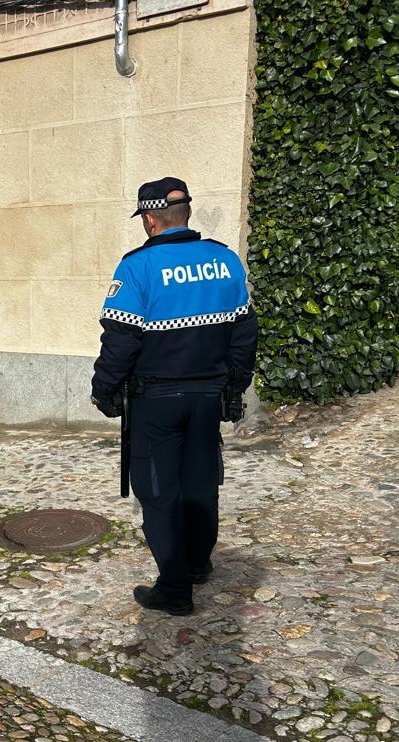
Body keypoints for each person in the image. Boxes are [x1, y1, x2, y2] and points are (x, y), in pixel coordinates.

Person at [91, 177, 258, 616]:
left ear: (149, 220)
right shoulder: (225, 261)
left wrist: (103, 389)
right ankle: (200, 563)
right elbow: (244, 334)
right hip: (208, 396)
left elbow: (121, 341)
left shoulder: (136, 267)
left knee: (159, 490)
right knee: (202, 483)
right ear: (185, 214)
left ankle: (175, 587)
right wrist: (234, 387)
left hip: (157, 400)